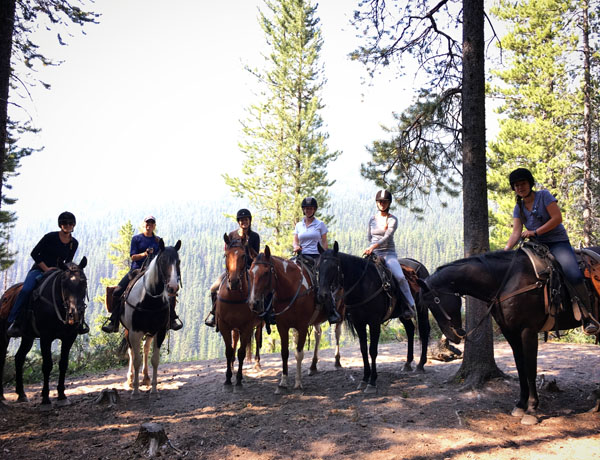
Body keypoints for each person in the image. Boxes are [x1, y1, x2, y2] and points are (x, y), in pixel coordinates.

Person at [504, 168, 599, 335]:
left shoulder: (544, 196)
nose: (520, 187)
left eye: (523, 183)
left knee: (573, 274)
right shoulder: (518, 207)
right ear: (514, 188)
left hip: (557, 243)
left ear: (530, 183)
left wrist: (535, 232)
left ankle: (587, 315)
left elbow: (557, 218)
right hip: (535, 246)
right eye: (516, 185)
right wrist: (505, 251)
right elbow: (516, 232)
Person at [7, 211, 89, 337]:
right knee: (26, 290)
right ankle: (15, 321)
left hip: (59, 272)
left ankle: (78, 322)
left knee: (74, 291)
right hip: (39, 270)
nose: (68, 225)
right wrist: (46, 269)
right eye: (65, 223)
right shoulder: (50, 237)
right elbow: (34, 254)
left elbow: (67, 261)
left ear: (74, 225)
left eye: (71, 223)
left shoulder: (74, 243)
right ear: (60, 224)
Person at [102, 215, 183, 333]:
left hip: (154, 273)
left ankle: (172, 318)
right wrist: (144, 254)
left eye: (152, 223)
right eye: (147, 223)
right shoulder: (136, 239)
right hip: (137, 270)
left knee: (167, 293)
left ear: (154, 225)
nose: (149, 225)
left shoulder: (158, 241)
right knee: (118, 291)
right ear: (143, 224)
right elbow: (133, 257)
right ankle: (113, 321)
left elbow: (162, 258)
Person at [363, 190, 416, 320]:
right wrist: (372, 248)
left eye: (384, 201)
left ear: (389, 203)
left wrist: (372, 247)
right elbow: (369, 236)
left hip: (388, 253)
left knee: (400, 277)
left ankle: (410, 305)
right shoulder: (372, 219)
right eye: (380, 201)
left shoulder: (392, 219)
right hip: (373, 253)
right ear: (377, 203)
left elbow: (387, 237)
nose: (382, 203)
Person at [205, 208, 260, 327]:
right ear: (238, 222)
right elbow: (227, 253)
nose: (244, 222)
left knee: (260, 289)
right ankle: (215, 313)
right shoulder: (231, 235)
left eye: (246, 219)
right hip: (232, 270)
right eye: (241, 220)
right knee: (213, 288)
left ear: (250, 221)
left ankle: (263, 313)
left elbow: (256, 256)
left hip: (249, 269)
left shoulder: (254, 236)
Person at [293, 196, 341, 324]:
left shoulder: (320, 225)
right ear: (303, 210)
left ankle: (331, 311)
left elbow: (324, 242)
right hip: (301, 256)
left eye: (311, 208)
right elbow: (295, 240)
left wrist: (323, 256)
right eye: (306, 208)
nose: (308, 210)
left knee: (322, 282)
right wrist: (296, 247)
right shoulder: (299, 225)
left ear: (314, 210)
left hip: (316, 257)